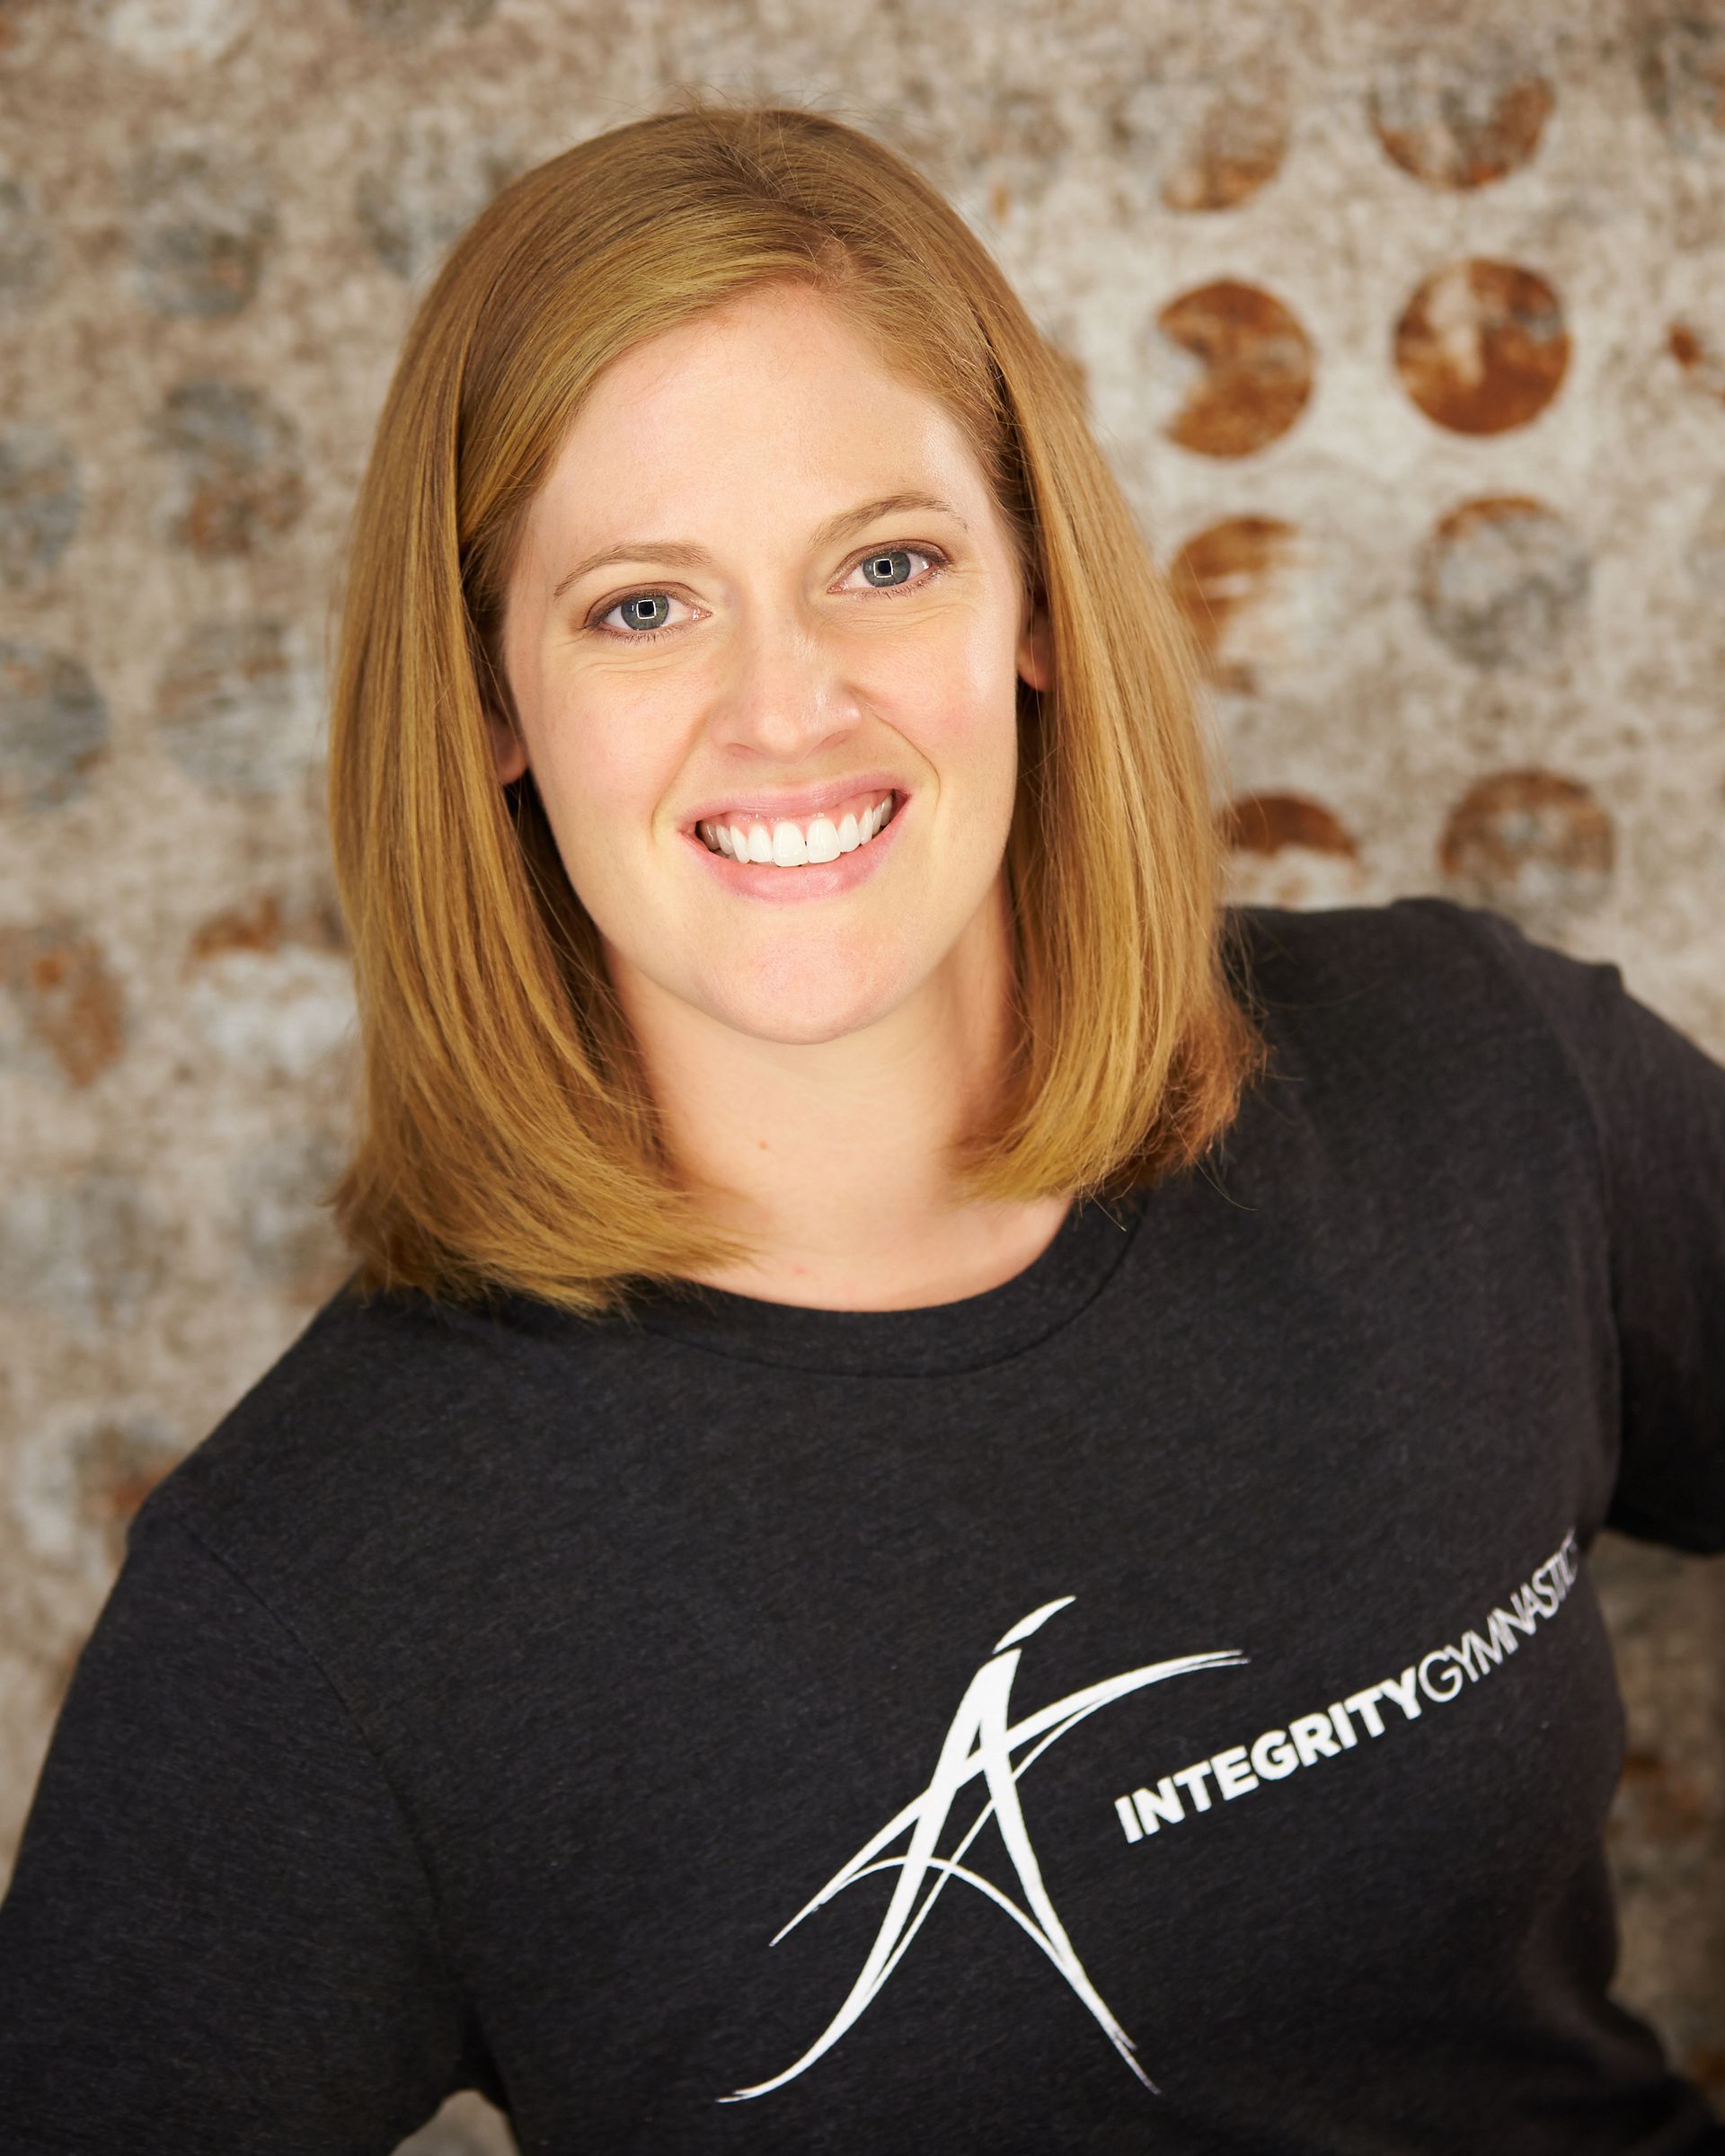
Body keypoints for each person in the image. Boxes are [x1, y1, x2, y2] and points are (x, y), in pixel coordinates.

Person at [1, 92, 1723, 2156]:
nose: (786, 709)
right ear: (489, 708)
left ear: (1033, 602)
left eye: (883, 562)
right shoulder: (320, 1591)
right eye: (642, 606)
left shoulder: (1474, 1083)